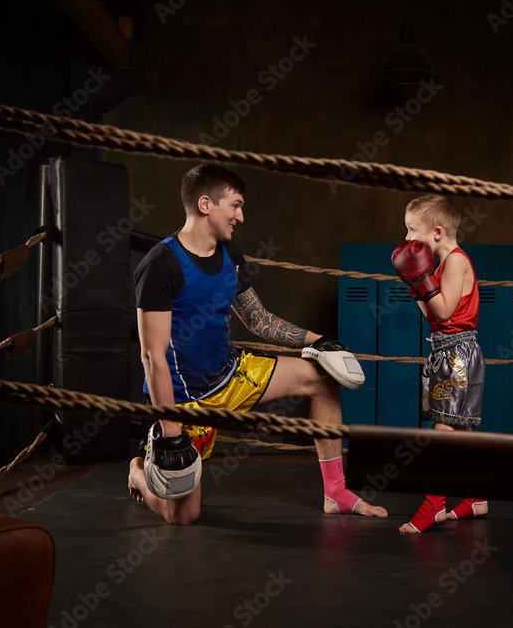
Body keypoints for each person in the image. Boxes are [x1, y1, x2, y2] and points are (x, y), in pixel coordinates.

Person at [126, 163, 388, 525]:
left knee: (322, 378)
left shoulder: (230, 256)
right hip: (184, 401)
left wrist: (319, 340)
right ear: (206, 204)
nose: (241, 216)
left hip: (230, 375)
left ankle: (336, 493)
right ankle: (139, 469)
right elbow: (152, 357)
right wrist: (170, 432)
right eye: (234, 205)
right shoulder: (161, 265)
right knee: (183, 516)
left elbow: (258, 319)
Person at [391, 194, 488, 534]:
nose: (406, 239)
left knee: (444, 433)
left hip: (458, 353)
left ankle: (433, 505)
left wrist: (421, 280)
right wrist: (416, 284)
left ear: (436, 231)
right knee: (460, 431)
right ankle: (477, 497)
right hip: (444, 351)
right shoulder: (439, 264)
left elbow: (445, 311)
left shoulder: (457, 261)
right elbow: (431, 315)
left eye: (411, 230)